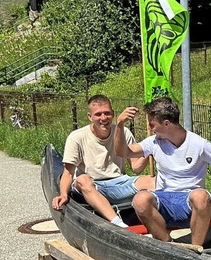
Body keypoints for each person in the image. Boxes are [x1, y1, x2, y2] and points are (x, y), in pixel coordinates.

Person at [115, 97, 211, 246]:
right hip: (163, 200)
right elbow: (122, 152)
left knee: (201, 196)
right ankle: (167, 244)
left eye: (152, 124)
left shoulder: (199, 145)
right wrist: (119, 125)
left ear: (166, 124)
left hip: (189, 202)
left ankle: (195, 249)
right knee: (140, 199)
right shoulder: (154, 142)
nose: (150, 128)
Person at [52, 94, 154, 227]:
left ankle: (164, 219)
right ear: (90, 117)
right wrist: (63, 195)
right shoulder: (77, 137)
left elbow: (136, 167)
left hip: (118, 183)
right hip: (90, 186)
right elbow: (68, 173)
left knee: (152, 181)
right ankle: (118, 224)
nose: (103, 118)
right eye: (98, 115)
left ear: (113, 114)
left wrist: (151, 148)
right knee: (83, 179)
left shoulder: (123, 132)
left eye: (107, 113)